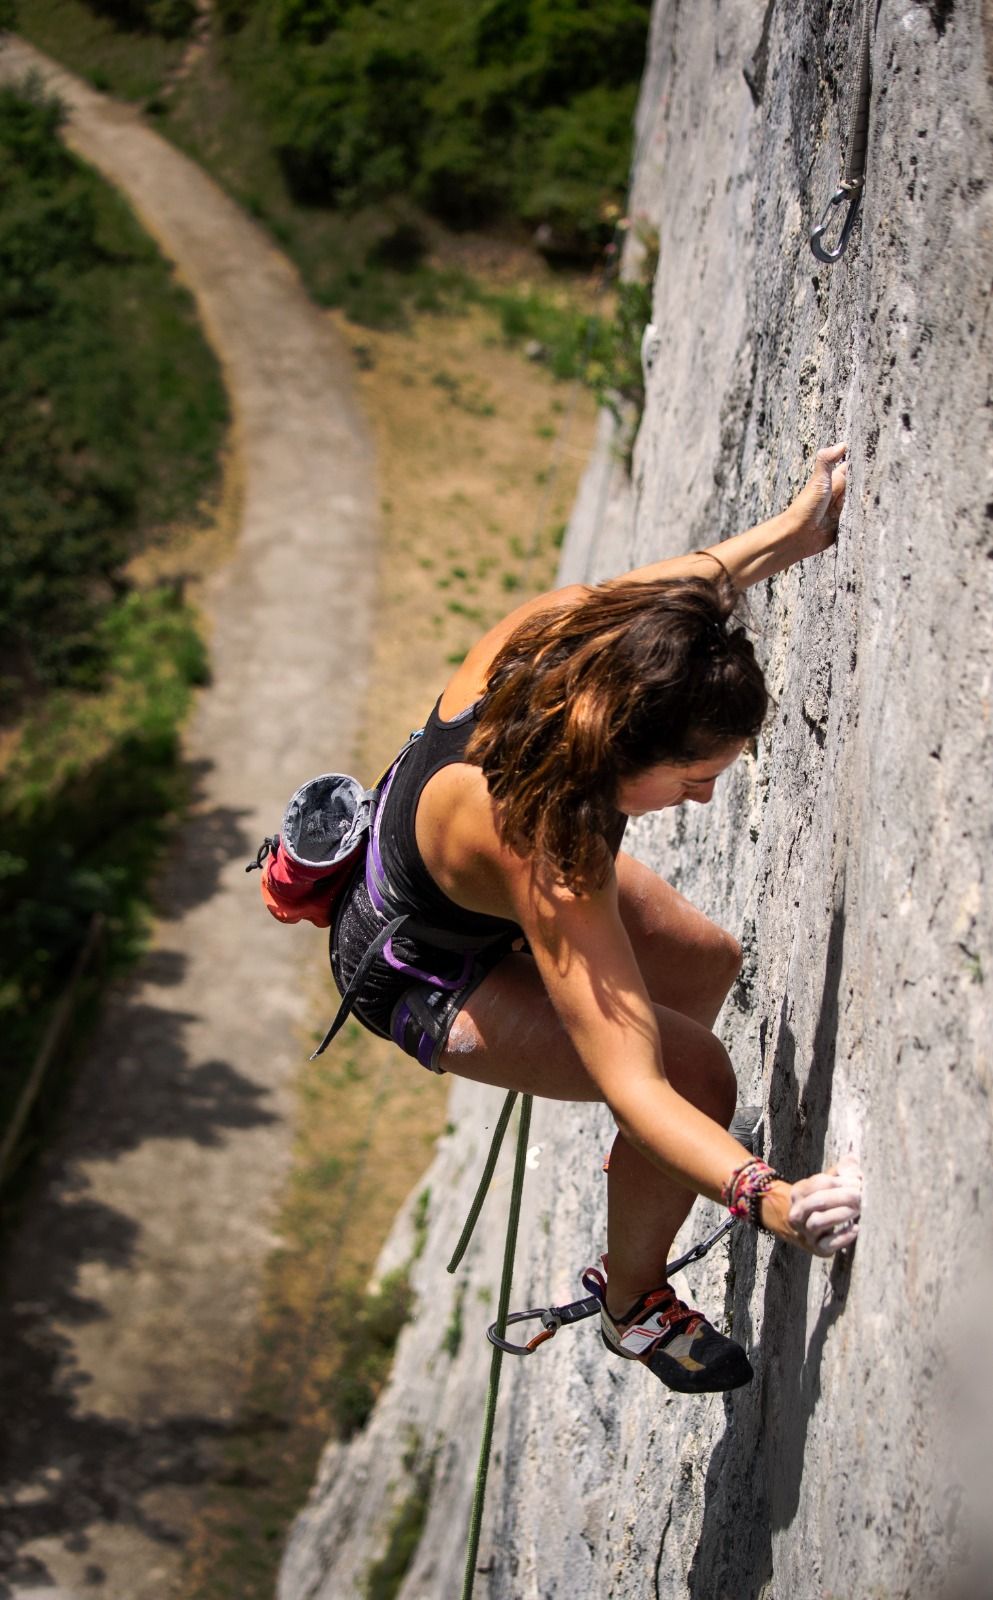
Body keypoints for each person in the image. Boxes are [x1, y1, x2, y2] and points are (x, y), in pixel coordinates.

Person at [331, 441, 863, 1394]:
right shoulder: (548, 846)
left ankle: (656, 1170)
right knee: (693, 1074)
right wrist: (772, 1201)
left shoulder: (575, 636)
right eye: (694, 777)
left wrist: (793, 529)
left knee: (703, 963)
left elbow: (687, 590)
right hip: (416, 968)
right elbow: (637, 1079)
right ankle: (632, 1305)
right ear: (626, 749)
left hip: (455, 883)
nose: (701, 800)